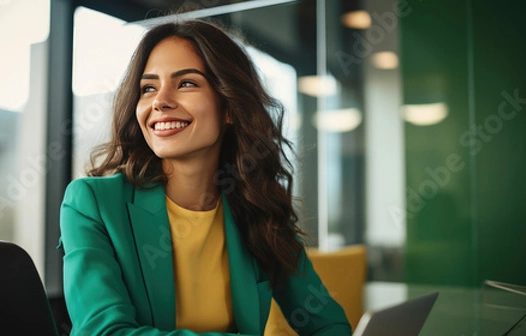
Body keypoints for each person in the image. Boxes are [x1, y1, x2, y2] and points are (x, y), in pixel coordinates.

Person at [59, 19, 351, 336]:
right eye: (148, 88)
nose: (160, 101)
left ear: (229, 107)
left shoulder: (258, 209)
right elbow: (103, 332)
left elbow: (328, 324)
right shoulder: (91, 203)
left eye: (186, 83)